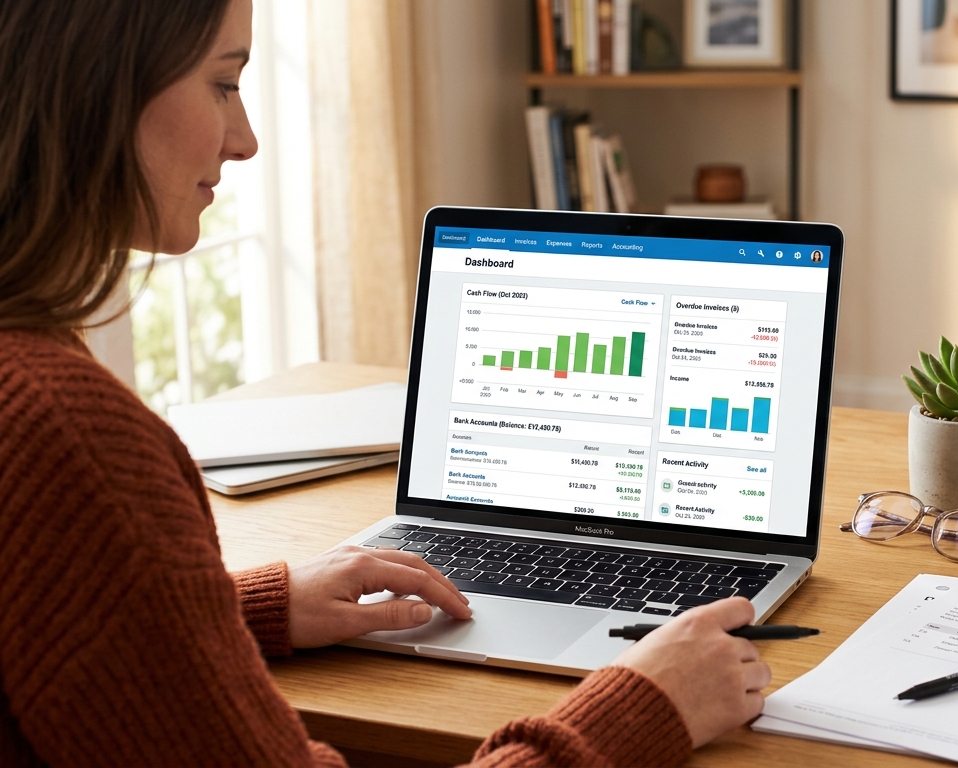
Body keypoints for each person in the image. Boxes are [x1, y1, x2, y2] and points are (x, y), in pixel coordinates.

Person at [0, 1, 771, 765]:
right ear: (97, 91)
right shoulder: (68, 434)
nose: (246, 140)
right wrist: (644, 710)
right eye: (224, 84)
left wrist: (242, 610)